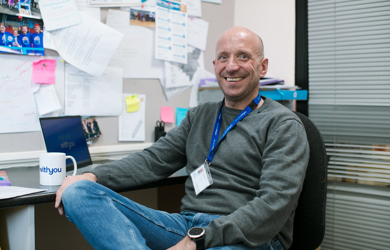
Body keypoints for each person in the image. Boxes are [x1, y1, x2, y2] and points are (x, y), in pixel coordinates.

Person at [56, 26, 309, 250]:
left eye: (243, 56)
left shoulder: (283, 124)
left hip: (250, 238)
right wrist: (93, 175)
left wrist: (199, 239)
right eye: (224, 57)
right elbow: (152, 161)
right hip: (187, 225)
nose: (231, 66)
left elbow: (272, 207)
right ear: (215, 66)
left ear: (263, 66)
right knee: (78, 192)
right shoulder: (200, 116)